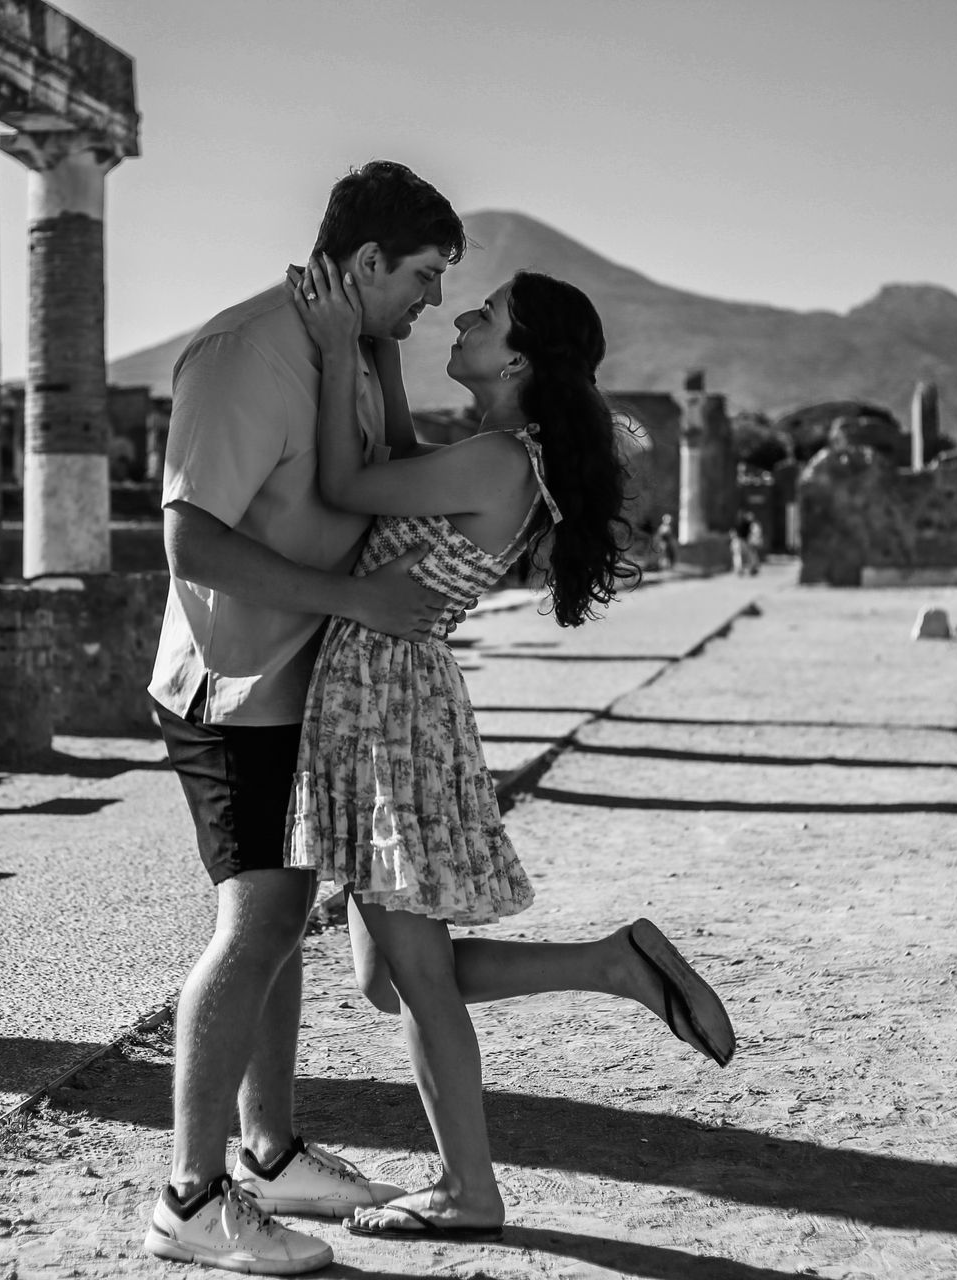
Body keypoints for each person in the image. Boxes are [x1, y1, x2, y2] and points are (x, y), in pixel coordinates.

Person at [285, 261, 739, 1242]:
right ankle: (611, 963)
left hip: (386, 695)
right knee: (384, 975)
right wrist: (381, 357)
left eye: (484, 316)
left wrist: (334, 350)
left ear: (519, 358)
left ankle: (469, 1188)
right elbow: (400, 456)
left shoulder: (497, 462)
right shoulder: (494, 450)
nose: (462, 315)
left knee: (415, 975)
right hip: (394, 688)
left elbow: (342, 482)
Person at [143, 160, 465, 1276]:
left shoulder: (349, 351)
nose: (431, 301)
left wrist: (374, 351)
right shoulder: (243, 354)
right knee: (260, 924)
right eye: (419, 277)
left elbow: (382, 479)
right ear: (367, 260)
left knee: (285, 924)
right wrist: (362, 601)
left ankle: (270, 1150)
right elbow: (192, 541)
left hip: (302, 682)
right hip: (233, 689)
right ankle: (190, 1194)